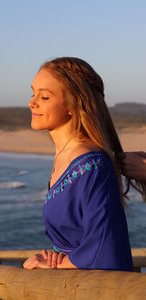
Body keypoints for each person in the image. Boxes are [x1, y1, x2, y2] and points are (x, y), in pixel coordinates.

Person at [23, 57, 145, 271]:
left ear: (73, 104)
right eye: (33, 93)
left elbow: (105, 248)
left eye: (44, 96)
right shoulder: (64, 159)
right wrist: (58, 259)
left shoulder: (91, 165)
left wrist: (57, 264)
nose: (32, 102)